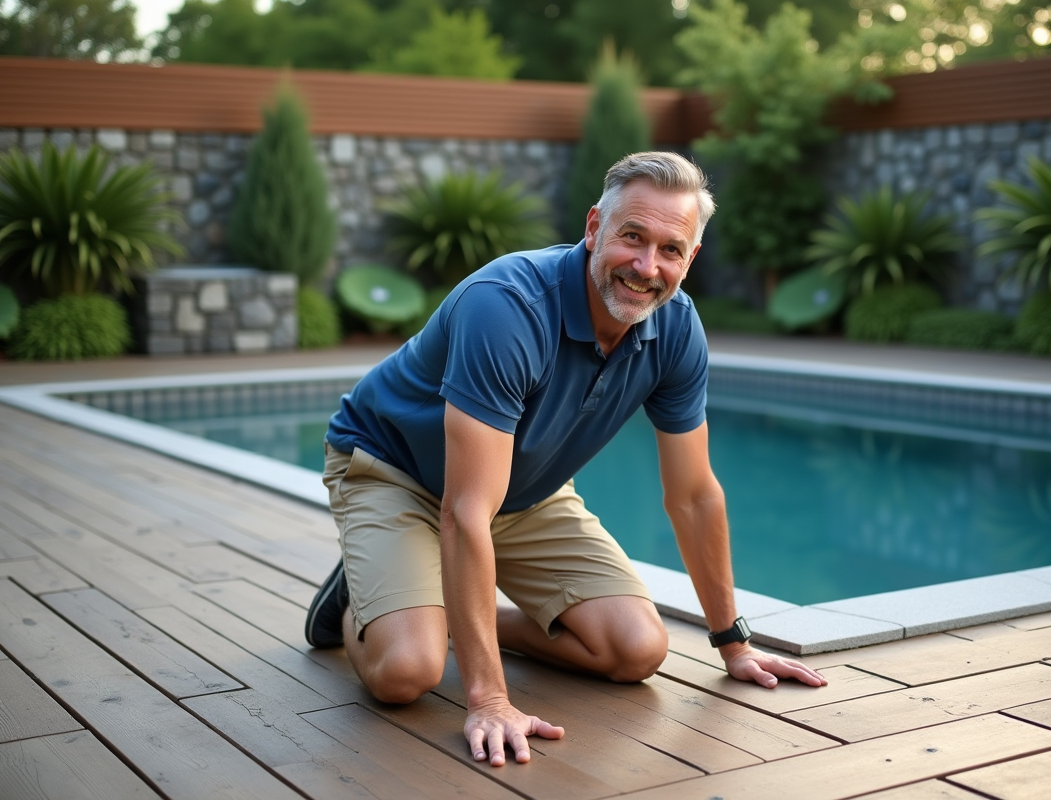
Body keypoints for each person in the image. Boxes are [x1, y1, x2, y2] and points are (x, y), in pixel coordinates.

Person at [305, 151, 827, 767]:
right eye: (632, 236)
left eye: (670, 249)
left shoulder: (677, 329)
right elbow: (465, 509)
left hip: (525, 490)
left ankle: (436, 604)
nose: (646, 266)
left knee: (635, 651)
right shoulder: (506, 307)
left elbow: (693, 494)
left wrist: (732, 643)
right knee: (405, 672)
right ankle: (364, 606)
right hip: (396, 472)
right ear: (593, 228)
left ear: (691, 259)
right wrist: (489, 699)